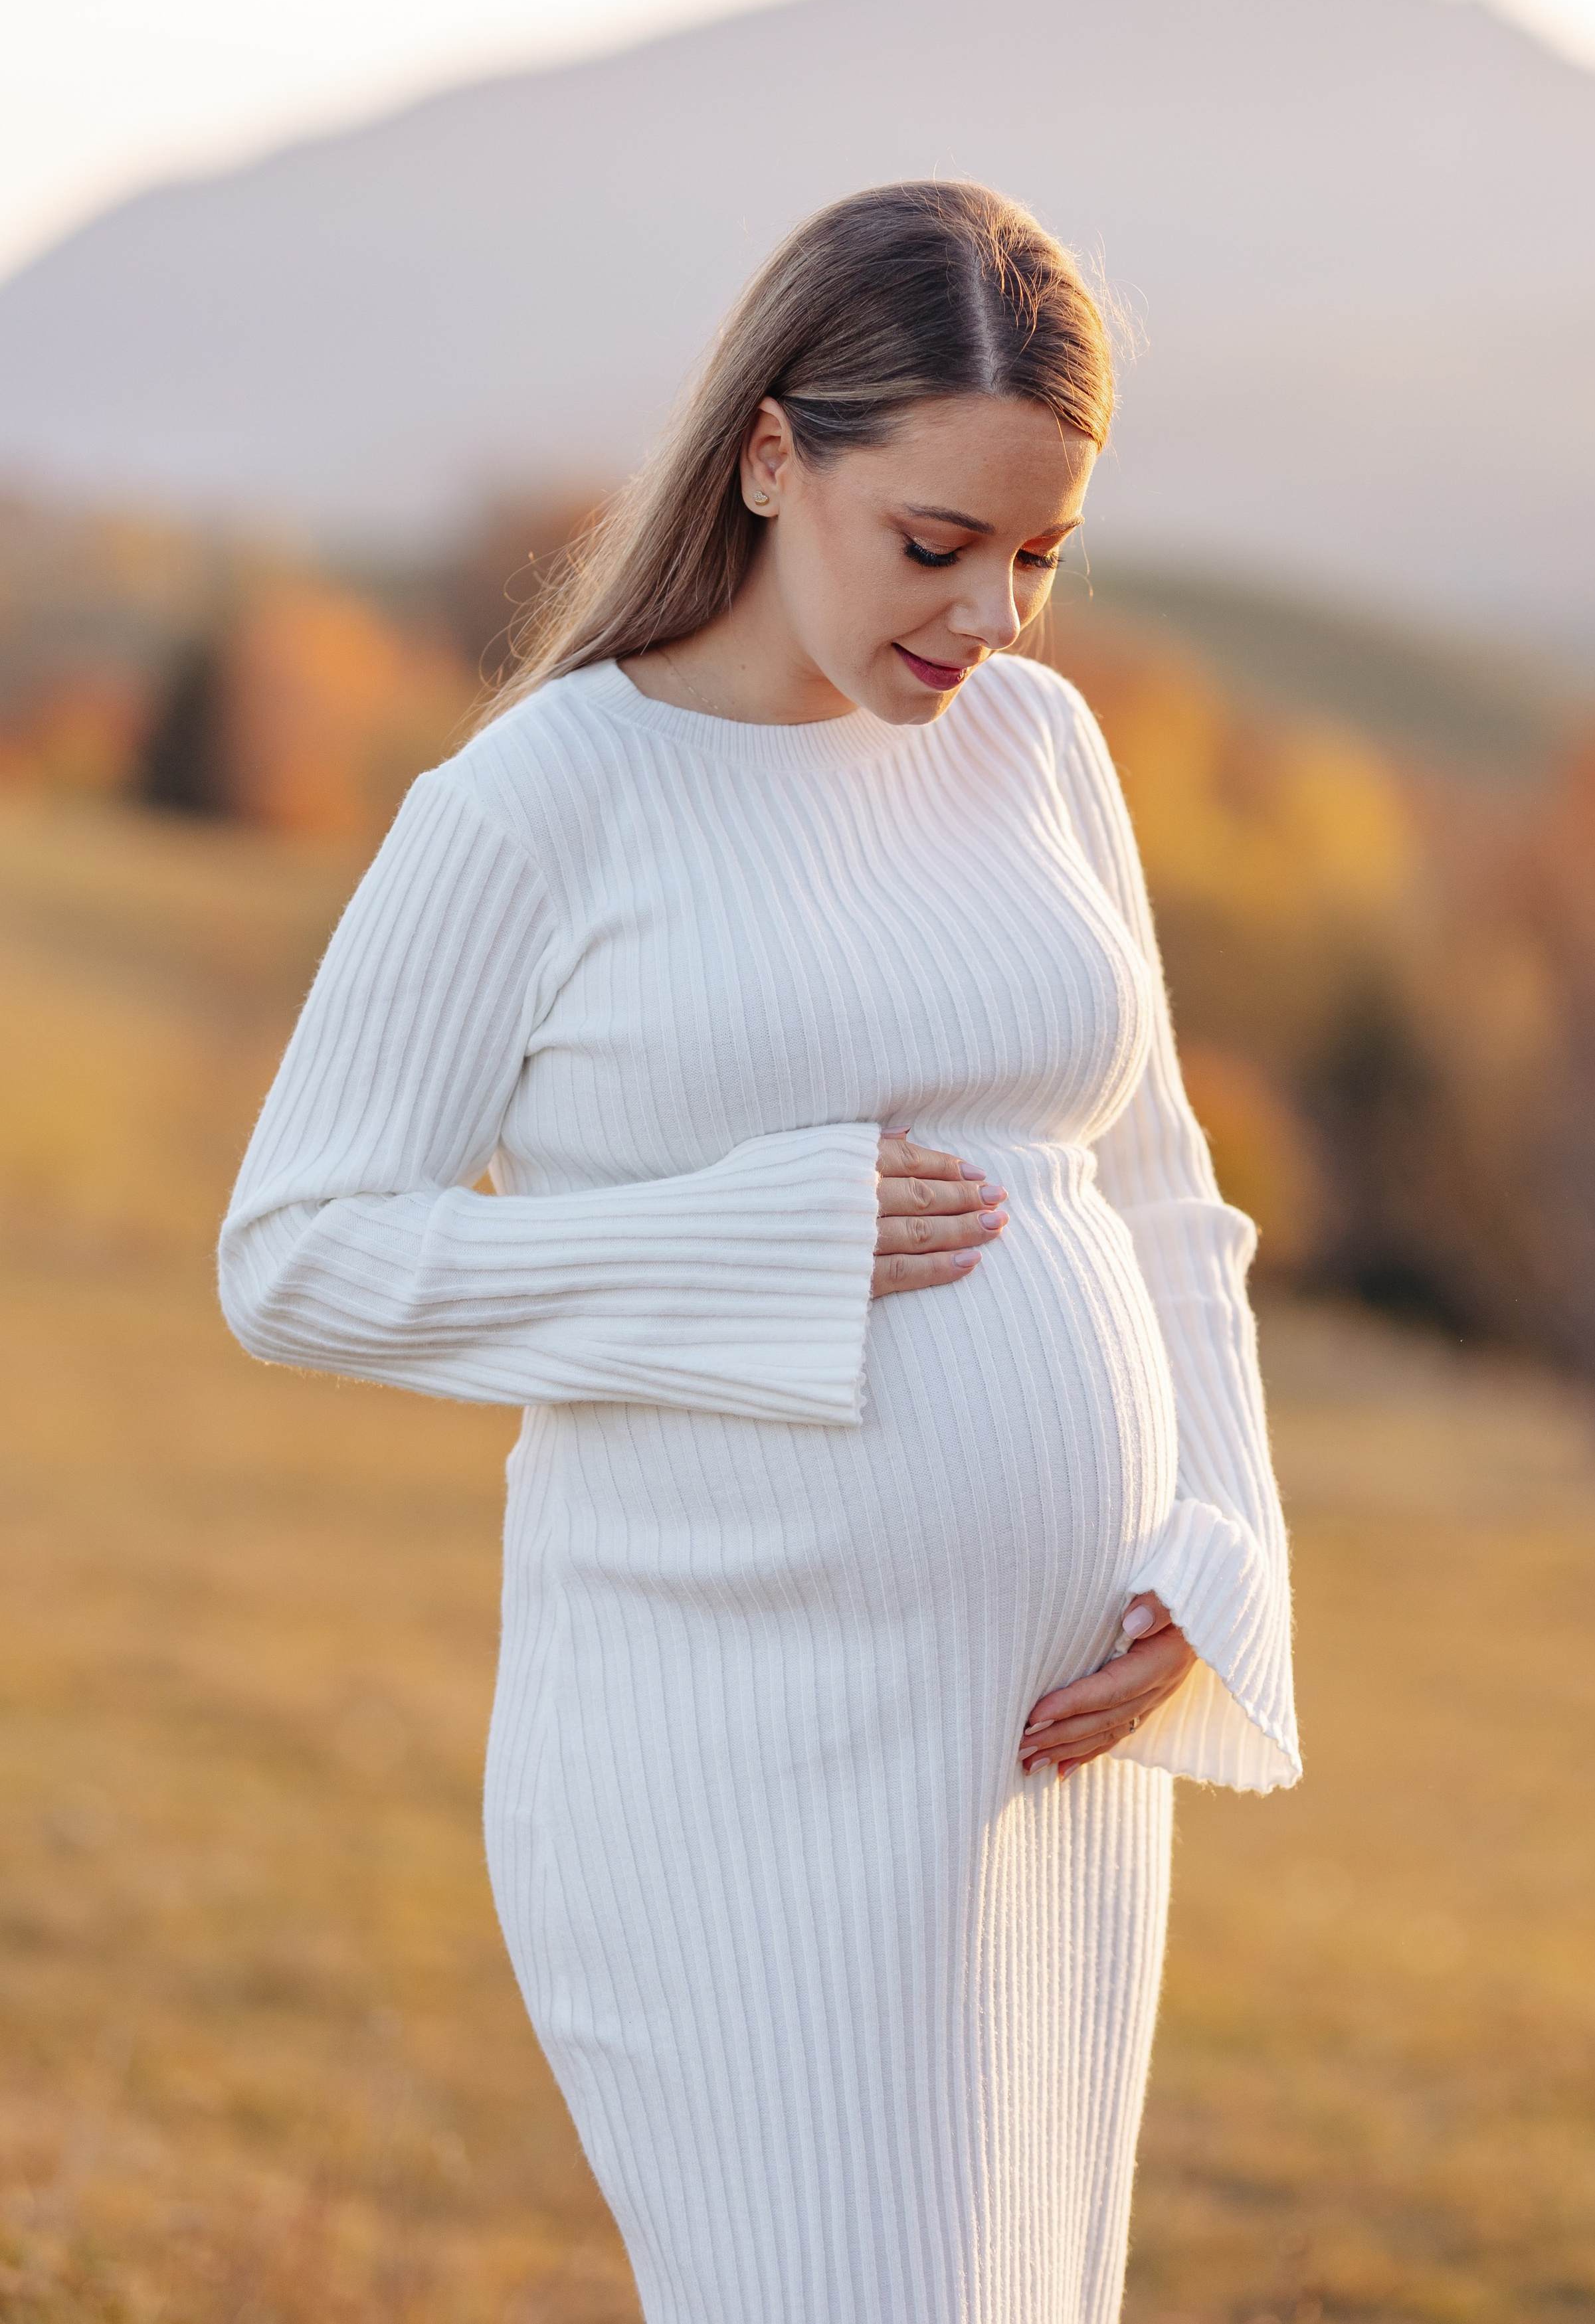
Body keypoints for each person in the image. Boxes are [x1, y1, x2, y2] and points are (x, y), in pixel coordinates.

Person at [220, 180, 1299, 2324]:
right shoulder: (541, 805)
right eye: (936, 545)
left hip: (1044, 1766)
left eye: (1041, 555)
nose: (994, 617)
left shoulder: (1042, 752)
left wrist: (1212, 1548)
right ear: (771, 453)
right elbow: (298, 1252)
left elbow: (1164, 1190)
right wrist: (739, 1246)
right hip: (729, 1762)